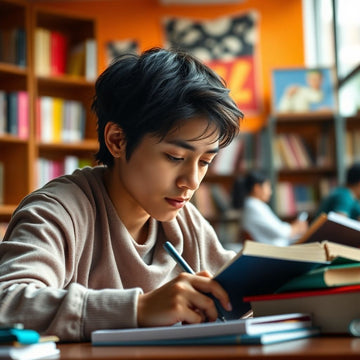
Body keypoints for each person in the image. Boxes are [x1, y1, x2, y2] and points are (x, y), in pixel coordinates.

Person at [0, 48, 243, 341]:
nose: (191, 181)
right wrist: (138, 309)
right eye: (175, 157)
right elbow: (7, 302)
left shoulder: (186, 222)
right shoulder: (58, 211)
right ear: (117, 140)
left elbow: (241, 296)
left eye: (205, 162)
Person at [232, 170, 308, 246]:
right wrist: (297, 227)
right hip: (273, 252)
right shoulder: (254, 206)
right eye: (268, 186)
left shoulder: (255, 205)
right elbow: (281, 232)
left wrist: (294, 227)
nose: (270, 192)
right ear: (257, 188)